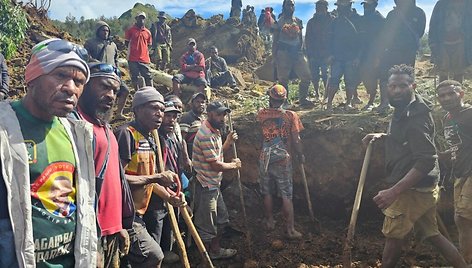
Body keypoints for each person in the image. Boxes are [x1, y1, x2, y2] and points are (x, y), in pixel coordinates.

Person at [0, 38, 97, 267]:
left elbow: (84, 202)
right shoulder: (5, 128)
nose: (71, 88)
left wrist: (95, 249)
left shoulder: (77, 134)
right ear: (32, 77)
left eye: (79, 81)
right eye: (61, 75)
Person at [362, 65, 467, 268]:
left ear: (413, 86)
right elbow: (408, 142)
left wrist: (394, 191)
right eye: (393, 86)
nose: (398, 90)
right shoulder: (404, 108)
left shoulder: (416, 118)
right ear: (387, 87)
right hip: (423, 188)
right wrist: (383, 136)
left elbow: (426, 159)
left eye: (403, 86)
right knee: (432, 234)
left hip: (412, 190)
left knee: (393, 238)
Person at [114, 87, 184, 267]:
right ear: (137, 109)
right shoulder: (126, 134)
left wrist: (170, 197)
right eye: (154, 108)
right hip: (123, 215)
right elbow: (116, 178)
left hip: (139, 214)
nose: (159, 114)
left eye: (161, 109)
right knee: (154, 256)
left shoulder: (151, 139)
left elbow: (149, 179)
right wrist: (156, 177)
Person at [75, 63, 133, 268]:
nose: (110, 95)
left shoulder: (107, 130)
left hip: (110, 232)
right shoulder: (74, 126)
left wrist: (120, 226)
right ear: (84, 85)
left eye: (115, 91)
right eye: (104, 87)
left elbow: (115, 183)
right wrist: (91, 242)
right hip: (89, 236)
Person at [192, 101, 241, 259]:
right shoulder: (205, 134)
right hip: (206, 186)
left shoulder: (215, 131)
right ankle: (205, 258)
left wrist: (228, 142)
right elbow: (215, 165)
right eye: (219, 115)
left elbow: (218, 152)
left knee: (221, 220)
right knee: (207, 225)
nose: (222, 118)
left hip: (214, 185)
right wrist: (233, 165)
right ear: (210, 113)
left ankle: (215, 250)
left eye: (224, 115)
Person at [257, 84, 304, 239]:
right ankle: (290, 230)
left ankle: (270, 221)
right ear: (285, 99)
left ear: (270, 98)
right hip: (283, 159)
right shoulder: (291, 115)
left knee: (267, 192)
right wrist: (300, 154)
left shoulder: (261, 114)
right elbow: (296, 139)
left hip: (265, 158)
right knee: (286, 194)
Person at [436, 80, 472, 264]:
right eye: (442, 95)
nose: (446, 98)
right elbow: (457, 146)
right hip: (460, 173)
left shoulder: (470, 114)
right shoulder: (447, 118)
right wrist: (441, 155)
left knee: (463, 217)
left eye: (451, 93)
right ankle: (467, 260)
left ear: (461, 94)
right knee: (462, 220)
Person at [376, 0, 426, 113]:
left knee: (406, 78)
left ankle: (407, 102)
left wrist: (408, 44)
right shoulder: (392, 14)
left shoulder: (419, 13)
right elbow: (385, 33)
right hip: (391, 51)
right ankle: (385, 103)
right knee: (385, 76)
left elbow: (420, 32)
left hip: (408, 52)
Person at [85, 21, 130, 120]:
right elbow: (86, 57)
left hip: (113, 74)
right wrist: (98, 64)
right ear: (97, 31)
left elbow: (115, 59)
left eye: (107, 30)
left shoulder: (113, 45)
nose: (105, 32)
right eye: (103, 30)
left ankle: (118, 113)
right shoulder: (91, 43)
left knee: (125, 90)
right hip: (98, 74)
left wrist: (117, 70)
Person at [273, 0, 314, 108]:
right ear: (284, 6)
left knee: (306, 76)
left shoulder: (298, 21)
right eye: (288, 5)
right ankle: (284, 102)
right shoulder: (279, 23)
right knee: (283, 79)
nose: (290, 7)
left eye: (292, 5)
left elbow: (300, 38)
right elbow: (275, 40)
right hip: (283, 52)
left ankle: (303, 99)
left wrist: (301, 51)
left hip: (297, 53)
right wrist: (274, 56)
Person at [326, 0, 362, 111]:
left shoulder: (358, 20)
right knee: (334, 81)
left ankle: (349, 103)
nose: (340, 8)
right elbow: (330, 40)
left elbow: (362, 41)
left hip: (351, 57)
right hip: (337, 57)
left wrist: (358, 57)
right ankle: (329, 104)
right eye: (339, 6)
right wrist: (330, 54)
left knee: (350, 81)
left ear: (349, 5)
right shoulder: (335, 22)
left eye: (342, 6)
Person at [429, 0, 472, 83]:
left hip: (462, 44)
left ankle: (457, 94)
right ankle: (443, 93)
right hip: (442, 44)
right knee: (443, 72)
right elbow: (433, 24)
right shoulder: (441, 4)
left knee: (459, 73)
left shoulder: (469, 4)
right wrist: (433, 44)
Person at [358, 0, 385, 111]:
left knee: (374, 77)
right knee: (365, 76)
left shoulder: (380, 20)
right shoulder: (362, 19)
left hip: (375, 53)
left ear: (375, 5)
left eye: (368, 5)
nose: (366, 7)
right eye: (364, 5)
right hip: (363, 53)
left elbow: (383, 39)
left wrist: (378, 56)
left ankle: (373, 101)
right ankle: (371, 98)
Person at [305, 0, 333, 102]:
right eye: (317, 8)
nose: (319, 10)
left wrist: (332, 54)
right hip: (314, 54)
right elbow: (307, 39)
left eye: (321, 8)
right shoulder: (311, 22)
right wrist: (309, 54)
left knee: (326, 75)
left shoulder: (332, 21)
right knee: (314, 75)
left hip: (327, 54)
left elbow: (335, 38)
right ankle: (317, 94)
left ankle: (326, 96)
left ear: (326, 8)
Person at [125, 12, 153, 91]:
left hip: (144, 59)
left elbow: (149, 45)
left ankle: (151, 93)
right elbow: (127, 43)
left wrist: (144, 52)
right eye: (140, 18)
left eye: (143, 18)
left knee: (148, 76)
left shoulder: (147, 32)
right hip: (133, 58)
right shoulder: (130, 30)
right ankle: (137, 93)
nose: (141, 20)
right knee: (135, 77)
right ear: (136, 19)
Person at [181, 92, 207, 159]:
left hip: (204, 155)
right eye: (197, 102)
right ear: (192, 104)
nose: (200, 104)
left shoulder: (205, 119)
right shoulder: (187, 117)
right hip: (192, 155)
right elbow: (182, 139)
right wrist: (186, 158)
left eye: (202, 102)